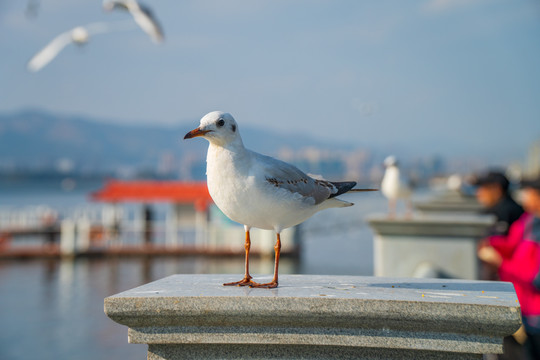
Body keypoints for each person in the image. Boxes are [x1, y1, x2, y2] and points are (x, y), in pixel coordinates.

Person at [478, 176, 540, 360]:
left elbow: (535, 277)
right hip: (521, 308)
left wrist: (499, 262)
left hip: (535, 315)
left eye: (528, 193)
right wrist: (488, 243)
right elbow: (511, 244)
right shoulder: (528, 220)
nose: (523, 197)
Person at [473, 170, 524, 236]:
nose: (478, 193)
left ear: (497, 189)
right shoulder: (512, 207)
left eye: (483, 188)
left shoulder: (503, 213)